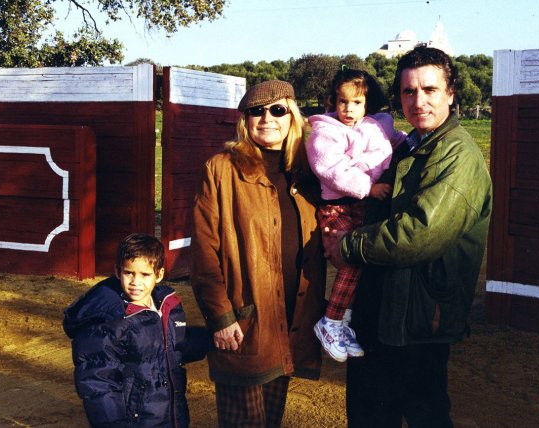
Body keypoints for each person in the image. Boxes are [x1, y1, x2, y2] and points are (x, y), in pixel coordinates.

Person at [325, 46, 493, 427]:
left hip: (419, 322)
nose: (419, 101)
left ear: (451, 94)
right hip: (381, 312)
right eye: (409, 92)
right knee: (369, 415)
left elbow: (418, 233)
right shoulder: (407, 146)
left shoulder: (457, 153)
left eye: (430, 90)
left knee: (425, 415)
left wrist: (348, 245)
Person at [189, 80, 326, 428]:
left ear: (292, 116)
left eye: (278, 110)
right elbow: (205, 249)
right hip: (245, 321)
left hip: (292, 319)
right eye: (256, 112)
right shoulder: (222, 168)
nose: (267, 118)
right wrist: (221, 317)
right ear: (245, 121)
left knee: (271, 420)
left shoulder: (310, 172)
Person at [306, 67, 406, 363]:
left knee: (364, 263)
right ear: (332, 102)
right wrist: (369, 187)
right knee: (351, 260)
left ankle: (344, 322)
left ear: (368, 103)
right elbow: (332, 170)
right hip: (338, 205)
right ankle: (330, 321)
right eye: (342, 101)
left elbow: (398, 140)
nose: (349, 109)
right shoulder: (325, 132)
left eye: (357, 102)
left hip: (362, 206)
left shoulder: (377, 125)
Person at [63, 233, 210, 427]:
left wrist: (211, 338)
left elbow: (175, 346)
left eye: (145, 274)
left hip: (170, 416)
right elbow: (99, 384)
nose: (135, 282)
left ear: (159, 275)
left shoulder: (167, 307)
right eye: (129, 272)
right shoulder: (107, 323)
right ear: (117, 271)